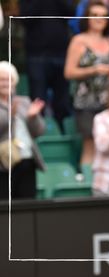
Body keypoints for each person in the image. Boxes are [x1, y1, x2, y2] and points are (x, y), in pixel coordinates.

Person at [64, 0, 109, 165]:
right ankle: (89, 186)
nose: (99, 19)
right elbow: (68, 72)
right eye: (95, 15)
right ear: (87, 18)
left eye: (104, 16)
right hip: (86, 102)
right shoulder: (79, 40)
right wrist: (94, 70)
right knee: (90, 143)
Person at [19, 0, 75, 132]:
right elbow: (25, 18)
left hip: (61, 53)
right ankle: (40, 134)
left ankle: (62, 134)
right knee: (38, 99)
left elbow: (71, 13)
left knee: (62, 100)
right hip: (36, 55)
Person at [0, 61, 46, 199]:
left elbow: (39, 131)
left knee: (27, 203)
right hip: (4, 163)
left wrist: (33, 117)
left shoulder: (24, 101)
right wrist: (10, 116)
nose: (5, 83)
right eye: (1, 80)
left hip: (26, 159)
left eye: (9, 79)